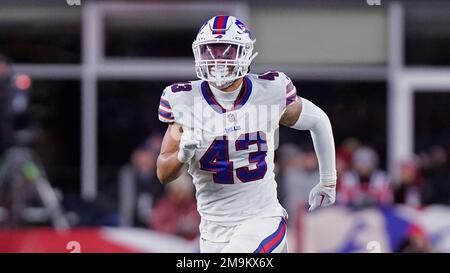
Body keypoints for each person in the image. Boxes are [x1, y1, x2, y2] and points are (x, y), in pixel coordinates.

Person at [156, 15, 336, 253]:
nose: (218, 61)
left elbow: (319, 120)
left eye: (226, 52)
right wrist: (182, 154)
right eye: (211, 52)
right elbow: (163, 173)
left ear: (244, 54)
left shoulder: (269, 92)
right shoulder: (184, 100)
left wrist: (328, 180)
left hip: (262, 219)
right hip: (213, 230)